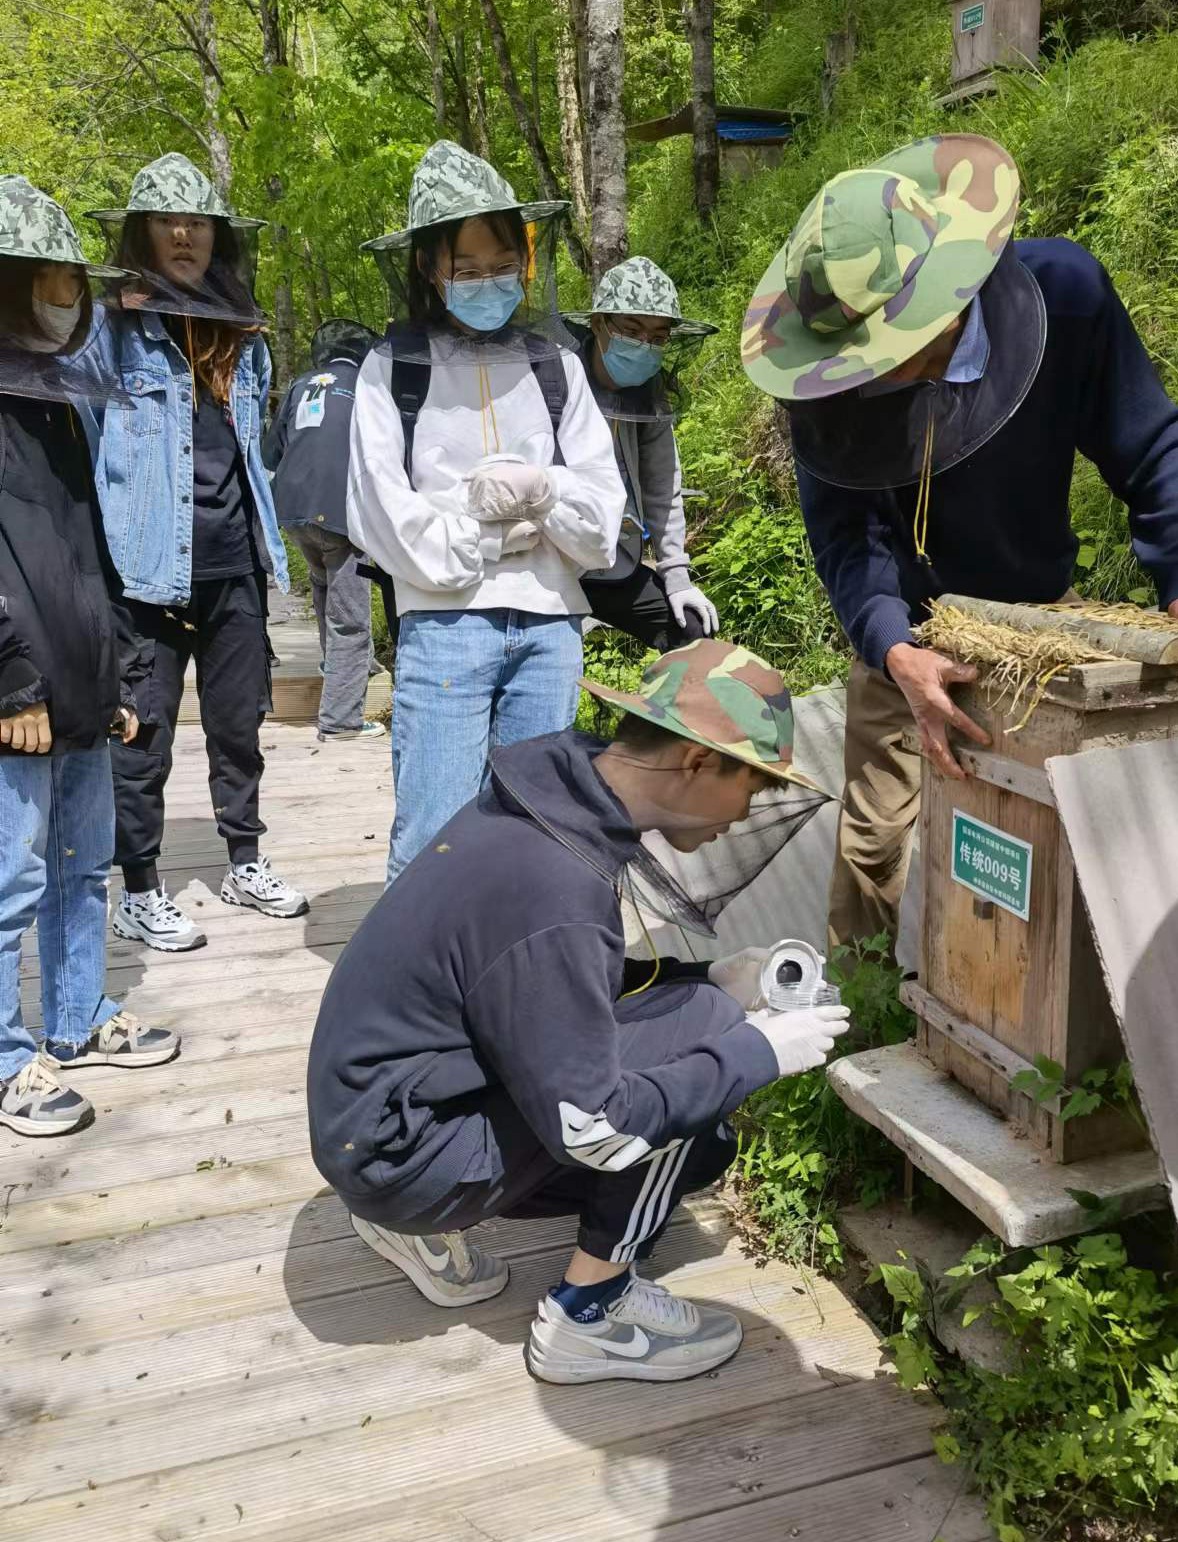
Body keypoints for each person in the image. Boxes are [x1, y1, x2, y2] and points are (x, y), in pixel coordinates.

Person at [308, 638, 851, 1383]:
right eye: (753, 785)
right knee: (701, 1065)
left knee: (700, 1010)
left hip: (374, 1116)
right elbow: (599, 1124)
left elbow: (536, 988)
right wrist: (756, 1049)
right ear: (698, 762)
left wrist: (715, 976)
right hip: (400, 1158)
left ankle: (404, 1221)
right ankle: (589, 1315)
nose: (749, 810)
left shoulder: (543, 805)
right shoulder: (556, 883)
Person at [741, 132, 1178, 951]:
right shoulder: (826, 382)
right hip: (914, 629)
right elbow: (845, 531)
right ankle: (857, 1017)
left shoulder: (1066, 298)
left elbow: (1154, 451)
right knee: (873, 845)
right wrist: (891, 645)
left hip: (1044, 626)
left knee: (1048, 841)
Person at [346, 140, 625, 882]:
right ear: (428, 269)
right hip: (444, 625)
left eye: (500, 265)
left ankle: (517, 985)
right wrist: (482, 540)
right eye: (466, 270)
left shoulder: (554, 364)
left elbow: (601, 515)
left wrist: (546, 491)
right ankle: (417, 991)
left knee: (544, 830)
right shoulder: (392, 369)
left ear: (525, 261)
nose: (486, 283)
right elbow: (377, 510)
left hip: (550, 628)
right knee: (435, 833)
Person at [83, 153, 308, 953]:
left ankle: (245, 858)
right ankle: (137, 887)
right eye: (168, 220)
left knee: (239, 725)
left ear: (217, 235)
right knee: (140, 733)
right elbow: (77, 441)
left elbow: (250, 450)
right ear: (143, 233)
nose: (184, 234)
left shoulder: (242, 329)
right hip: (144, 571)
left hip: (237, 566)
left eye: (198, 221)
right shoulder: (110, 328)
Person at [0, 177, 179, 1137]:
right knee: (6, 881)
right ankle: (3, 1053)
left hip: (76, 687)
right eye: (54, 280)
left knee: (81, 866)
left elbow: (86, 553)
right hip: (13, 698)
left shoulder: (60, 402)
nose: (71, 298)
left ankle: (73, 1017)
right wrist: (9, 680)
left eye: (78, 282)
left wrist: (116, 679)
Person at [566, 256, 720, 651]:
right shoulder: (556, 378)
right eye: (632, 330)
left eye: (658, 337)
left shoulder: (650, 396)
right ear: (599, 324)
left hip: (616, 563)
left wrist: (676, 575)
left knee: (691, 631)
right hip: (553, 565)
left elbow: (661, 487)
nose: (644, 346)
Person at [263, 317, 385, 742]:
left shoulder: (300, 383)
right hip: (340, 511)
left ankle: (339, 667)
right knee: (350, 619)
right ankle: (341, 720)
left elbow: (270, 450)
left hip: (293, 508)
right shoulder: (370, 389)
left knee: (324, 584)